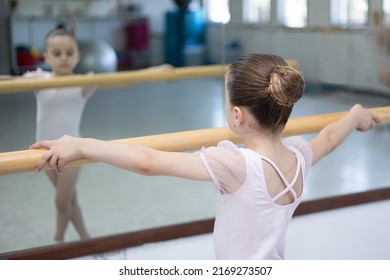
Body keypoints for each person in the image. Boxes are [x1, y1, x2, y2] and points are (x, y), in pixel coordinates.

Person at [30, 53, 380, 259]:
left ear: (237, 116)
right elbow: (330, 138)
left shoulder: (236, 165)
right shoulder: (299, 158)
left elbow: (148, 162)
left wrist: (82, 144)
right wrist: (355, 115)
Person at [1, 21, 172, 243]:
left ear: (77, 56)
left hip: (73, 149)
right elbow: (10, 81)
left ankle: (58, 240)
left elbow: (121, 80)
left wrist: (155, 71)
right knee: (69, 199)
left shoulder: (83, 82)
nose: (63, 57)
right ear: (46, 57)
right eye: (57, 53)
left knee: (62, 202)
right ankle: (85, 239)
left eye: (69, 52)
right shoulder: (38, 79)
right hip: (43, 149)